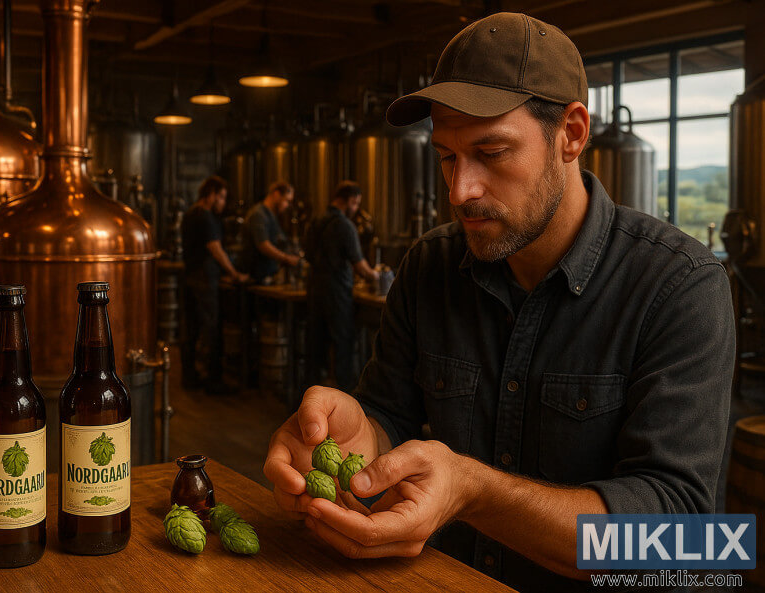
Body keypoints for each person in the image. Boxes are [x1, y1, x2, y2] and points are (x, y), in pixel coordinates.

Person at [263, 12, 734, 593]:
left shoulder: (681, 286)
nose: (460, 190)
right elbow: (390, 417)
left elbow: (685, 540)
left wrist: (475, 492)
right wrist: (359, 435)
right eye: (447, 156)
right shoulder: (429, 266)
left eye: (491, 152)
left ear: (571, 134)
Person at [305, 181, 379, 392]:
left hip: (314, 288)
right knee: (343, 343)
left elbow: (307, 255)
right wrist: (377, 276)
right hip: (337, 291)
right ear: (349, 200)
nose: (356, 208)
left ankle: (309, 395)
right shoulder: (345, 226)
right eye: (356, 203)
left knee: (315, 343)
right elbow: (359, 265)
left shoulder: (315, 222)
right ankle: (345, 395)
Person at [180, 175, 249, 394]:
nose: (223, 202)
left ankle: (190, 377)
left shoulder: (190, 213)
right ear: (210, 194)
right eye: (221, 197)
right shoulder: (205, 216)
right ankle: (213, 381)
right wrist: (234, 273)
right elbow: (215, 249)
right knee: (212, 328)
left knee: (191, 329)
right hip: (204, 280)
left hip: (190, 276)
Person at [241, 181, 300, 283]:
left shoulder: (271, 215)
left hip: (266, 274)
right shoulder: (259, 214)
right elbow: (263, 245)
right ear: (276, 194)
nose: (287, 205)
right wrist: (287, 258)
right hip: (256, 277)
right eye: (287, 200)